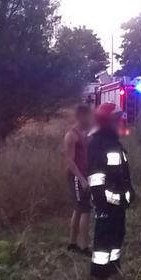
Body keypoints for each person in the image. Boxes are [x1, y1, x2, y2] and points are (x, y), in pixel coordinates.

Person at [87, 103, 135, 280]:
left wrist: (130, 191)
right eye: (116, 119)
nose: (120, 122)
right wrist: (102, 205)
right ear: (107, 122)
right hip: (106, 203)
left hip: (118, 203)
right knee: (104, 239)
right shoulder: (98, 143)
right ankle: (100, 275)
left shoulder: (113, 142)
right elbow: (96, 178)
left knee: (117, 235)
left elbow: (122, 172)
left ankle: (113, 268)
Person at [64, 104, 92, 256]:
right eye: (88, 115)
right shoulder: (71, 135)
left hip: (85, 175)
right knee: (85, 211)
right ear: (81, 116)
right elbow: (69, 160)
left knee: (78, 209)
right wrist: (81, 179)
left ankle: (72, 243)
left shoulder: (85, 133)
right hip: (77, 177)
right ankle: (84, 247)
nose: (90, 118)